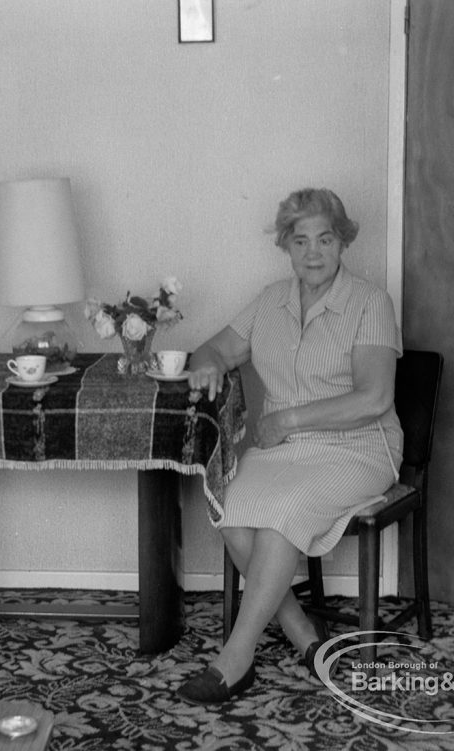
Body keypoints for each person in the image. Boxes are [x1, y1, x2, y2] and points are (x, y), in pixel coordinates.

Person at [178, 188, 403, 704]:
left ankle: (235, 660)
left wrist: (288, 418)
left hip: (360, 447)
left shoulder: (370, 302)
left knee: (281, 512)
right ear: (286, 246)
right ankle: (301, 630)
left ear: (342, 241)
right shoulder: (270, 301)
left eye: (325, 238)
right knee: (229, 507)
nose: (313, 252)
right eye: (300, 241)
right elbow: (213, 347)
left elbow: (374, 398)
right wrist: (209, 359)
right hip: (287, 450)